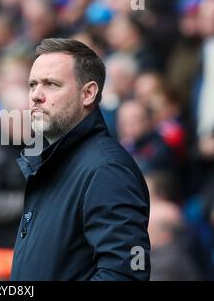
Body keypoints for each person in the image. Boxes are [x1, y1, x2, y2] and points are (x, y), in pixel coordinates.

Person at [11, 38, 150, 281]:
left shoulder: (107, 170)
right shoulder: (52, 162)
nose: (35, 96)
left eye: (51, 84)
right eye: (32, 85)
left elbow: (124, 275)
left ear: (88, 93)